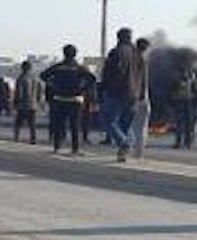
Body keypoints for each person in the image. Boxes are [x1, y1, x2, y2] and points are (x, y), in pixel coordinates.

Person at [40, 45, 96, 155]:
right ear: (75, 54)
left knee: (59, 124)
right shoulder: (79, 68)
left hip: (59, 98)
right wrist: (82, 88)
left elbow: (43, 75)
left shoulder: (58, 67)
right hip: (75, 99)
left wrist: (53, 85)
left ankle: (57, 147)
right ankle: (75, 149)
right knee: (74, 125)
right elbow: (92, 79)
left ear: (64, 53)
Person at [101, 28, 141, 162]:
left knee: (109, 121)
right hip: (134, 94)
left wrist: (106, 88)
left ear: (118, 38)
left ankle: (124, 142)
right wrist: (140, 92)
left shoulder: (116, 52)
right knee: (126, 124)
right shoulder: (137, 54)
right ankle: (123, 151)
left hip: (117, 92)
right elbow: (142, 74)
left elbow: (111, 73)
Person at [129, 38, 151, 159]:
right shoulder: (142, 60)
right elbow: (144, 80)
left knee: (132, 125)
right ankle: (138, 153)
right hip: (141, 97)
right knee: (141, 127)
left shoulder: (131, 59)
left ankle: (133, 151)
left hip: (132, 96)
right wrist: (142, 95)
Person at [170, 65, 197, 149]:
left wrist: (196, 103)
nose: (184, 74)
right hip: (180, 104)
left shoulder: (192, 82)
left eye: (185, 72)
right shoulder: (176, 82)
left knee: (189, 125)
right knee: (179, 124)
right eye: (182, 72)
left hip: (189, 104)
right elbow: (172, 93)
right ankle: (179, 142)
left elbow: (196, 93)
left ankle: (188, 142)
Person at [14, 61, 40, 144]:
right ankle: (33, 139)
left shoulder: (21, 78)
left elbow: (19, 92)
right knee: (32, 123)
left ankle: (16, 137)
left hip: (23, 104)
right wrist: (38, 101)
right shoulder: (35, 78)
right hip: (33, 104)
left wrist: (16, 102)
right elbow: (40, 91)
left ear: (23, 68)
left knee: (18, 122)